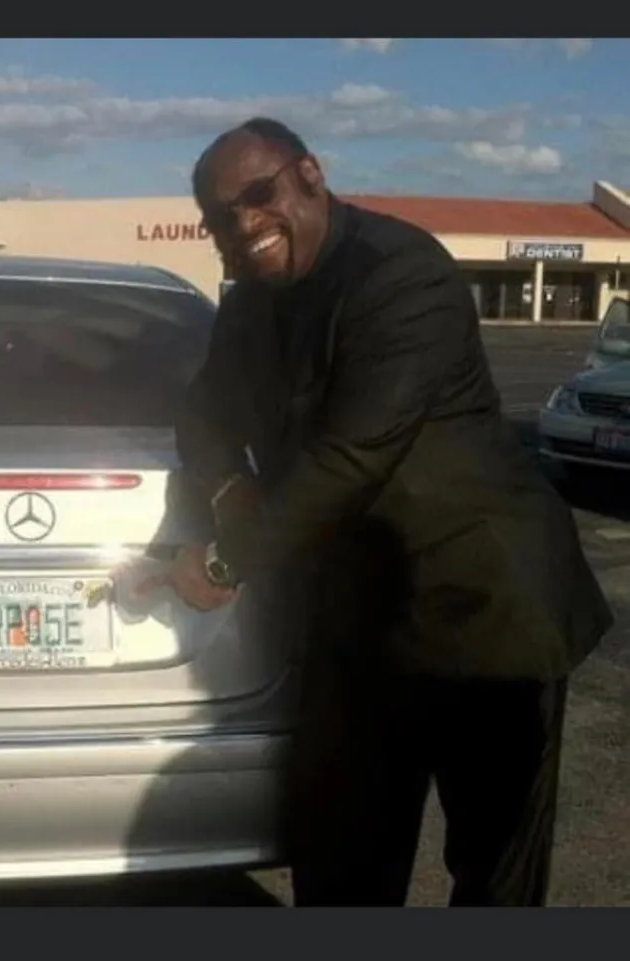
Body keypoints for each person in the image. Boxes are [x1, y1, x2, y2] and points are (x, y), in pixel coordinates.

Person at [145, 117, 613, 906]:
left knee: (494, 873)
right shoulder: (250, 302)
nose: (245, 223)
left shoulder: (402, 275)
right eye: (221, 216)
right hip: (357, 617)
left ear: (310, 175)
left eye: (257, 194)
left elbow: (350, 458)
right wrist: (230, 489)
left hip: (486, 609)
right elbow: (203, 417)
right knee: (341, 861)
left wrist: (224, 560)